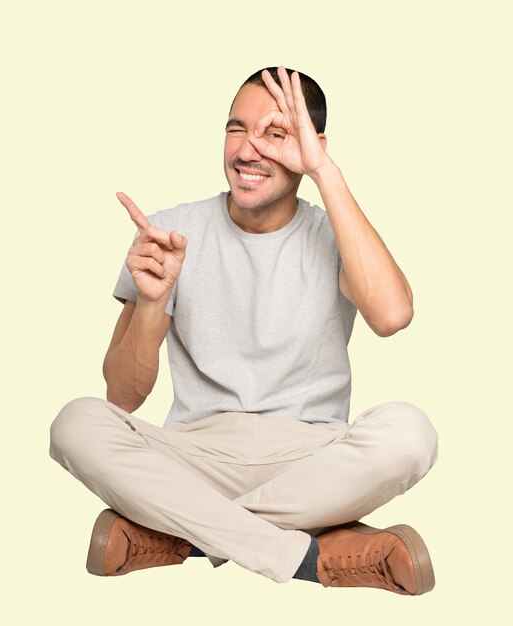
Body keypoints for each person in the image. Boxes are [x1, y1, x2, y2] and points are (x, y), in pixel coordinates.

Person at [49, 66, 438, 594]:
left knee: (410, 432)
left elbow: (392, 317)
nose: (247, 150)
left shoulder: (337, 233)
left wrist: (325, 172)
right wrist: (151, 302)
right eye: (237, 129)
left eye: (275, 134)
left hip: (313, 461)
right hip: (196, 456)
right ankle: (306, 556)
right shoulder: (171, 230)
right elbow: (122, 394)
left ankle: (182, 535)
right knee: (75, 423)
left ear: (310, 145)